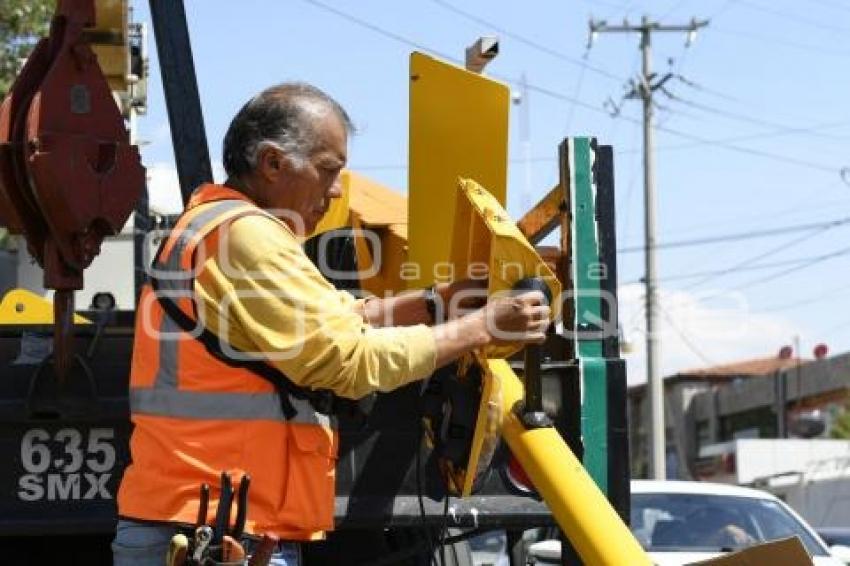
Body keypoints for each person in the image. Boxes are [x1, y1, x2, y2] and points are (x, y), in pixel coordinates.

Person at [112, 82, 549, 565]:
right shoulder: (249, 237)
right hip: (217, 528)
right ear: (273, 162)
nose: (337, 189)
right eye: (328, 170)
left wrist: (435, 302)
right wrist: (483, 327)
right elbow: (344, 359)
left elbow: (336, 319)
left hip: (205, 521)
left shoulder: (214, 227)